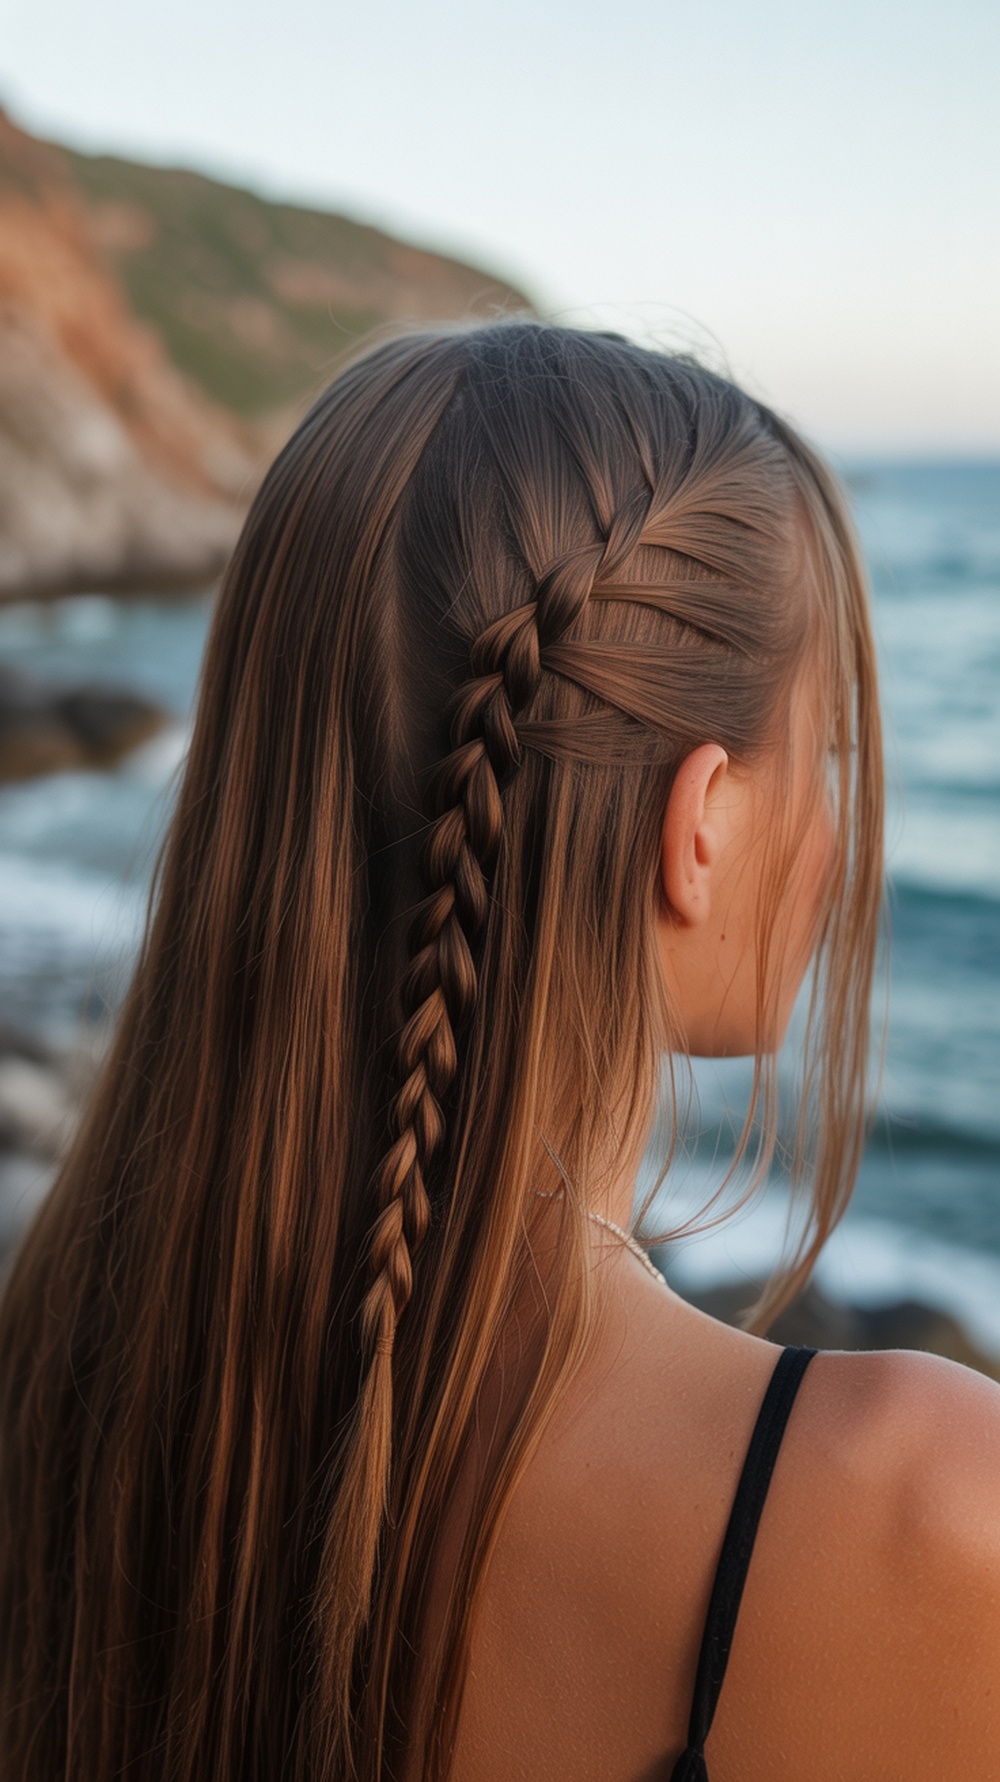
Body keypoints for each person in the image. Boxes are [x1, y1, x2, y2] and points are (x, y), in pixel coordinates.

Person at [1, 322, 998, 1782]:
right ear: (700, 822)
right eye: (827, 757)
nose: (842, 830)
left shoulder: (70, 1369)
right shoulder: (909, 1500)